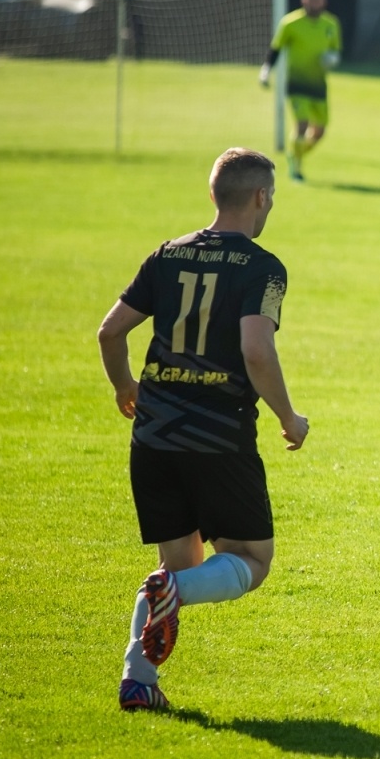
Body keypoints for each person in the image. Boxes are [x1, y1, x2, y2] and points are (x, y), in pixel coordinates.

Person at [97, 148, 309, 711]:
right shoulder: (263, 267)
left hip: (153, 436)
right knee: (250, 560)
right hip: (217, 438)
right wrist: (290, 417)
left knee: (180, 566)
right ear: (260, 197)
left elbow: (110, 333)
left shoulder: (167, 255)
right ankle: (167, 599)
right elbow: (256, 351)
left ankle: (137, 681)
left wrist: (125, 389)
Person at [260, 0, 342, 183]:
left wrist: (332, 59)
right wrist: (266, 70)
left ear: (324, 1)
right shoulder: (290, 23)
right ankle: (295, 167)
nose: (315, 1)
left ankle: (295, 154)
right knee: (302, 124)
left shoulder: (331, 24)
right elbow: (276, 48)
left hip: (318, 85)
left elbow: (336, 51)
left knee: (320, 132)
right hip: (296, 83)